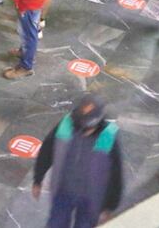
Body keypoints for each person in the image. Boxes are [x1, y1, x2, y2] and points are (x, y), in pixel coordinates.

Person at [32, 93, 123, 228]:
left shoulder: (108, 136)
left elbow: (116, 174)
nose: (86, 130)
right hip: (63, 191)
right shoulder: (66, 125)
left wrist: (109, 205)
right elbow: (47, 151)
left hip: (90, 200)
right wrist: (38, 179)